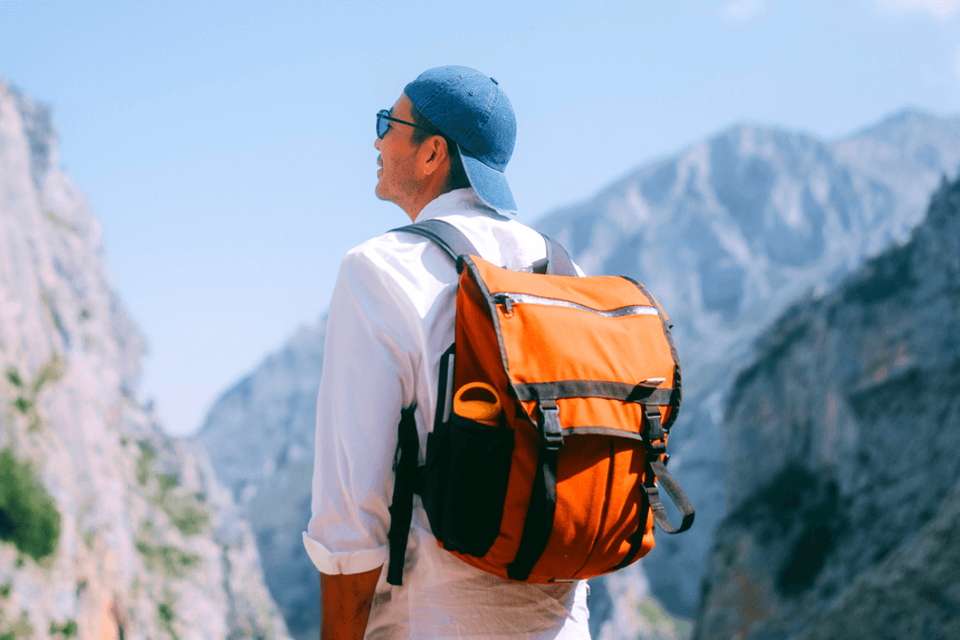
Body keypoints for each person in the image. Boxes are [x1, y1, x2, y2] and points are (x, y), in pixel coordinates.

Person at [303, 66, 590, 640]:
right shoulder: (565, 274)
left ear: (433, 152)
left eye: (389, 123)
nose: (378, 140)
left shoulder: (378, 269)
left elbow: (350, 518)